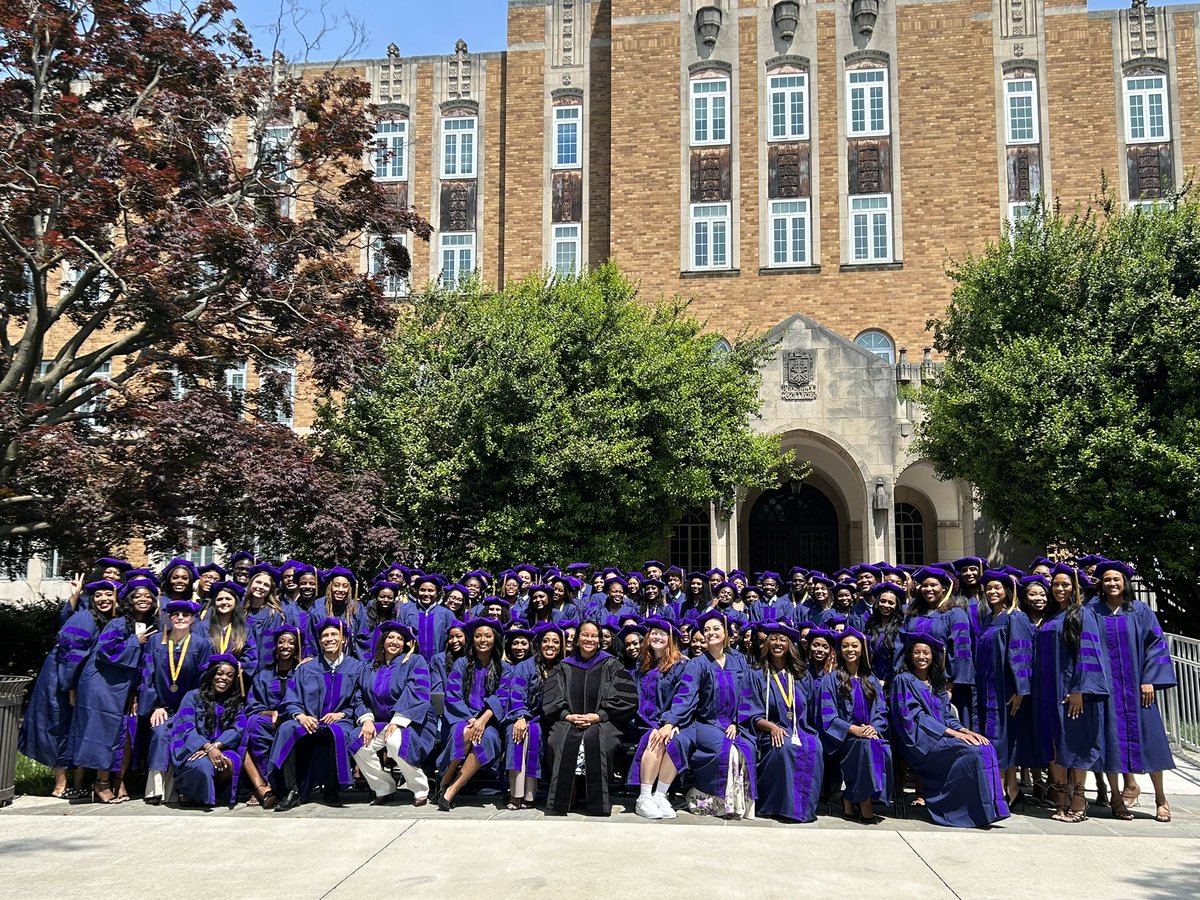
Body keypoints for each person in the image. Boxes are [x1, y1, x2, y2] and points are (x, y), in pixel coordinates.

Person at [888, 633, 1009, 828]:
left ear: (932, 656)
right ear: (910, 656)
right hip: (918, 741)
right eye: (917, 652)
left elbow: (947, 715)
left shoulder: (937, 683)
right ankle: (958, 811)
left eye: (926, 652)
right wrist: (953, 734)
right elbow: (915, 717)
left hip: (941, 736)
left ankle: (988, 810)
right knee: (971, 753)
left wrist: (966, 731)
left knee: (985, 746)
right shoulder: (904, 680)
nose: (921, 656)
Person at [1088, 560, 1177, 823]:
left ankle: (1161, 799)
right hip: (1108, 690)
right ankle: (1117, 798)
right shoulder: (1093, 612)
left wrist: (1149, 678)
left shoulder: (1140, 610)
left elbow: (1156, 645)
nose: (1112, 584)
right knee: (1111, 742)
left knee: (1151, 741)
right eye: (1107, 580)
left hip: (1138, 689)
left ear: (1125, 583)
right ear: (1101, 585)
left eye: (1116, 579)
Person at [19, 579, 118, 799]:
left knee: (70, 727)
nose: (104, 599)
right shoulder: (85, 618)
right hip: (60, 678)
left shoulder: (104, 620)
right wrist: (70, 686)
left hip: (73, 678)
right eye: (98, 595)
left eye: (108, 595)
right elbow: (71, 656)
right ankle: (60, 786)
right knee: (60, 726)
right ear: (91, 599)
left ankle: (72, 785)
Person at [66, 577, 159, 803]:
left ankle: (108, 782)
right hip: (101, 683)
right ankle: (101, 784)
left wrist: (137, 691)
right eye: (137, 596)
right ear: (128, 600)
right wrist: (135, 641)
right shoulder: (118, 623)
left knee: (117, 734)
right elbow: (106, 651)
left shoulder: (154, 626)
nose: (143, 599)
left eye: (148, 596)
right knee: (102, 733)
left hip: (122, 687)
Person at [660, 609, 758, 819]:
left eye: (716, 628)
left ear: (725, 633)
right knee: (726, 749)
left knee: (747, 747)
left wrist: (736, 722)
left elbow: (745, 696)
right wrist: (670, 721)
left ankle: (739, 806)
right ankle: (708, 801)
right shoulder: (697, 664)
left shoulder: (738, 663)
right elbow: (685, 695)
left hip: (732, 724)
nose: (711, 632)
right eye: (707, 630)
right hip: (706, 723)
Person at [541, 619, 638, 816]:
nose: (589, 639)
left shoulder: (612, 665)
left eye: (594, 636)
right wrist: (567, 716)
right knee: (559, 739)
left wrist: (599, 715)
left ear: (600, 640)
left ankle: (595, 801)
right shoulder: (563, 667)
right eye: (585, 635)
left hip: (605, 721)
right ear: (577, 639)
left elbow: (626, 699)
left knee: (599, 740)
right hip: (568, 721)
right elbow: (551, 699)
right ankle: (567, 795)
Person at [271, 618, 368, 811]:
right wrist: (300, 716)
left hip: (341, 721)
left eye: (334, 635)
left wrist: (343, 713)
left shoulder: (357, 667)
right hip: (308, 720)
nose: (329, 639)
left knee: (336, 733)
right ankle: (292, 790)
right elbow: (291, 699)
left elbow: (360, 699)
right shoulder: (306, 668)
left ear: (344, 639)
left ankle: (331, 788)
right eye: (325, 636)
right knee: (287, 729)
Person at [1037, 563, 1108, 823]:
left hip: (1071, 689)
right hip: (1048, 690)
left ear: (1075, 587)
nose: (1059, 588)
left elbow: (1089, 655)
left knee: (1075, 743)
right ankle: (1062, 797)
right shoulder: (1051, 617)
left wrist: (1080, 689)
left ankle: (1079, 799)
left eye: (1065, 584)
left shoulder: (1082, 615)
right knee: (1056, 743)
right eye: (1056, 584)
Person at [351, 621, 436, 806]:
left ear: (405, 643)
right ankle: (384, 788)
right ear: (383, 640)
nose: (395, 641)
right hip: (380, 722)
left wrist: (397, 721)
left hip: (413, 720)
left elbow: (416, 691)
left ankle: (420, 788)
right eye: (391, 637)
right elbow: (359, 696)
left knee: (395, 741)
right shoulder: (370, 667)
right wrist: (366, 720)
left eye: (400, 638)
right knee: (358, 744)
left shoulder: (414, 661)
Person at [141, 599, 215, 804]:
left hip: (190, 708)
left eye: (185, 615)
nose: (180, 618)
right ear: (169, 618)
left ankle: (181, 790)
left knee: (185, 737)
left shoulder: (201, 644)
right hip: (163, 707)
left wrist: (193, 709)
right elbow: (148, 675)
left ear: (192, 619)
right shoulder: (156, 642)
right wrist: (155, 706)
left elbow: (204, 681)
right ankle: (156, 791)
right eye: (176, 615)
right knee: (159, 733)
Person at [752, 622, 825, 823]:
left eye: (783, 639)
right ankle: (780, 807)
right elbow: (750, 712)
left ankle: (804, 810)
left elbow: (811, 708)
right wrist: (771, 726)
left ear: (789, 646)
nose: (778, 643)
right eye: (773, 639)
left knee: (814, 747)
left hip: (799, 729)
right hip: (769, 732)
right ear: (766, 644)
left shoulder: (801, 675)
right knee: (783, 748)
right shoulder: (757, 674)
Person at [436, 618, 510, 811]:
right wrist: (471, 719)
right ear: (473, 639)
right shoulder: (462, 664)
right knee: (463, 733)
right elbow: (453, 695)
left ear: (495, 639)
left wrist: (482, 720)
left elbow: (502, 697)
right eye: (478, 636)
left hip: (491, 722)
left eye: (487, 636)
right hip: (464, 717)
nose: (482, 640)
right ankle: (447, 777)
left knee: (487, 739)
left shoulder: (504, 668)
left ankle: (451, 788)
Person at [818, 627, 891, 822]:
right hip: (841, 739)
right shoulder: (830, 680)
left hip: (868, 735)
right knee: (864, 747)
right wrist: (855, 730)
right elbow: (828, 716)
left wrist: (873, 727)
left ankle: (850, 796)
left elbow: (881, 711)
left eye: (854, 645)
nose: (850, 649)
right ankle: (864, 801)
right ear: (839, 650)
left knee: (882, 750)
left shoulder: (872, 680)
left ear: (862, 649)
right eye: (845, 646)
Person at [975, 571, 1034, 806]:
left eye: (997, 588)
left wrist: (1020, 691)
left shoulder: (1015, 617)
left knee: (1000, 737)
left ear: (1007, 591)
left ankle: (998, 792)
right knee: (997, 737)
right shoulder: (989, 618)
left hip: (1006, 690)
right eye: (989, 588)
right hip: (989, 687)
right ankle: (1011, 789)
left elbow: (1022, 656)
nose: (992, 592)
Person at [168, 654, 247, 809]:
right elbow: (185, 727)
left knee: (231, 763)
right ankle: (190, 791)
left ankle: (210, 790)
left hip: (222, 747)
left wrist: (215, 747)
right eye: (220, 673)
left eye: (230, 676)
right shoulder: (192, 696)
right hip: (193, 749)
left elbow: (237, 728)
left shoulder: (235, 702)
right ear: (211, 675)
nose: (224, 678)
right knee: (203, 767)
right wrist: (206, 747)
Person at [629, 618, 689, 819]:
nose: (657, 637)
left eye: (662, 634)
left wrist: (671, 722)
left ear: (670, 639)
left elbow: (683, 697)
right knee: (655, 736)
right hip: (641, 722)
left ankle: (659, 796)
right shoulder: (642, 663)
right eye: (654, 633)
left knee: (673, 740)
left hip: (669, 720)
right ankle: (644, 797)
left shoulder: (681, 664)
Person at [501, 623, 564, 810]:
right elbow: (517, 693)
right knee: (519, 735)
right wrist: (521, 716)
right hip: (523, 717)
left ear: (561, 646)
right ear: (538, 645)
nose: (550, 645)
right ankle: (516, 794)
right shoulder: (525, 667)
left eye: (555, 642)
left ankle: (530, 794)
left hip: (551, 720)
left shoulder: (564, 667)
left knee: (536, 733)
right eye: (546, 641)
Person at [242, 625, 303, 809]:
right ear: (275, 646)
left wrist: (288, 713)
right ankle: (269, 783)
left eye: (291, 642)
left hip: (294, 720)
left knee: (289, 728)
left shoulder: (302, 672)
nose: (286, 646)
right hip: (269, 722)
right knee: (255, 724)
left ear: (296, 647)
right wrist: (270, 712)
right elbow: (253, 706)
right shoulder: (264, 675)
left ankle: (275, 786)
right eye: (282, 642)